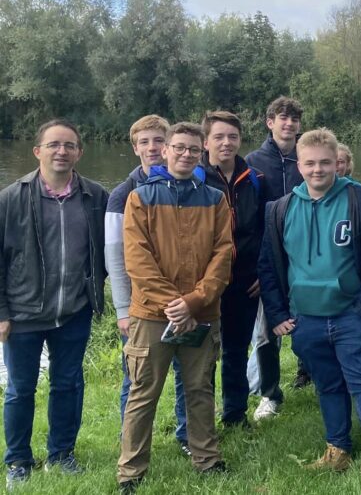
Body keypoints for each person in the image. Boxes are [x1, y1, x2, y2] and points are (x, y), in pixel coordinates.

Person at [256, 128, 361, 494]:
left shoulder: (357, 200)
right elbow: (268, 265)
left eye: (325, 162)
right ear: (299, 164)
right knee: (327, 386)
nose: (317, 170)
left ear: (335, 162)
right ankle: (338, 449)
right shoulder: (280, 209)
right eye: (309, 163)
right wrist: (277, 315)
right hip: (305, 319)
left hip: (351, 316)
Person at [117, 122, 232, 492]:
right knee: (143, 391)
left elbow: (223, 254)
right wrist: (173, 304)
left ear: (203, 155)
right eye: (179, 148)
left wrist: (195, 301)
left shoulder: (215, 198)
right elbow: (137, 259)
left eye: (194, 150)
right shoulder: (139, 197)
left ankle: (207, 459)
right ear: (164, 151)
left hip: (202, 312)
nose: (186, 155)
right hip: (151, 315)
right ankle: (131, 471)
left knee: (200, 388)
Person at [1, 120, 108, 488]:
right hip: (23, 313)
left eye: (69, 145)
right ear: (38, 151)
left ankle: (62, 454)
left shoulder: (95, 195)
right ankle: (17, 460)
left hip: (74, 312)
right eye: (53, 145)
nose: (61, 151)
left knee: (68, 384)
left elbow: (106, 255)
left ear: (79, 151)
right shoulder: (10, 198)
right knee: (20, 389)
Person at [105, 115, 189, 454]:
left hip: (186, 301)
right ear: (135, 147)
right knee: (137, 377)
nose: (152, 148)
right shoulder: (122, 194)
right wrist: (123, 309)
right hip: (141, 306)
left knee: (189, 373)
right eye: (145, 142)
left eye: (158, 141)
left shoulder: (188, 185)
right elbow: (116, 258)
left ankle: (186, 436)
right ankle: (133, 439)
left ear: (168, 145)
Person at [198, 111, 268, 429]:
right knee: (202, 354)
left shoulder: (254, 179)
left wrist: (262, 273)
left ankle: (235, 414)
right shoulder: (194, 178)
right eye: (219, 137)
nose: (227, 143)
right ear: (205, 141)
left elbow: (266, 230)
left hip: (245, 282)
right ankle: (200, 418)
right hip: (205, 284)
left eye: (233, 137)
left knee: (237, 350)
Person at [244, 96, 306, 414]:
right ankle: (270, 394)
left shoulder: (306, 159)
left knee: (311, 320)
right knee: (267, 328)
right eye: (283, 117)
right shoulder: (253, 162)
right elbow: (248, 218)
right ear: (270, 122)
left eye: (294, 118)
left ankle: (312, 375)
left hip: (305, 256)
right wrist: (256, 266)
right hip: (268, 258)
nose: (289, 123)